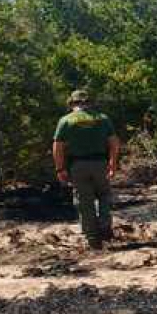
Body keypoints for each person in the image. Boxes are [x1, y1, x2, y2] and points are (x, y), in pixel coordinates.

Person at [52, 89, 120, 250]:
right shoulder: (103, 119)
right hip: (100, 163)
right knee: (104, 195)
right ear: (90, 102)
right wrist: (113, 163)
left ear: (72, 103)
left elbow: (57, 147)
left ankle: (92, 238)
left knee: (84, 201)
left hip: (78, 166)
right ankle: (104, 226)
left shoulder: (65, 120)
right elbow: (114, 143)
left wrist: (60, 168)